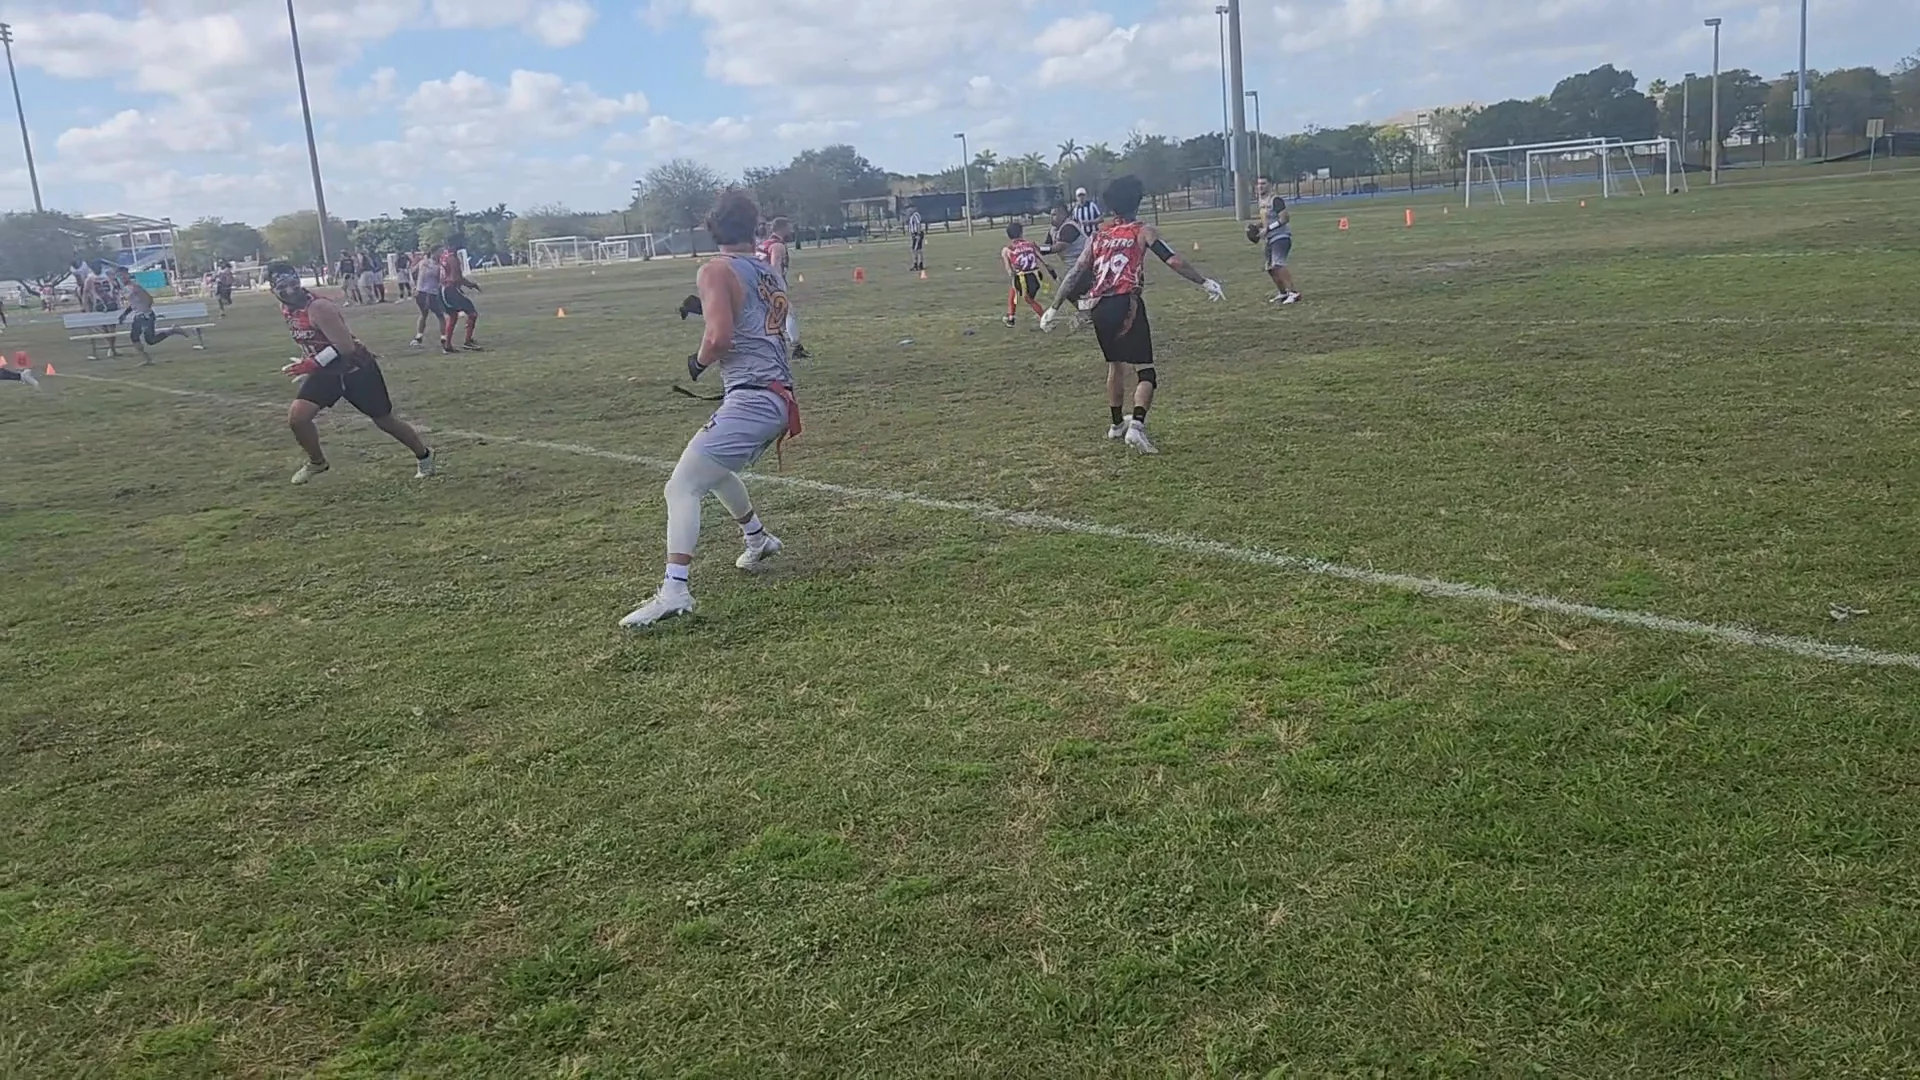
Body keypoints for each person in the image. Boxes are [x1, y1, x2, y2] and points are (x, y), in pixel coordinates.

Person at [620, 189, 798, 629]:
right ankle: (758, 539)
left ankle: (675, 590)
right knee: (714, 470)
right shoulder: (766, 269)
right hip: (775, 394)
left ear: (711, 228)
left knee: (681, 487)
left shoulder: (715, 269)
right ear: (755, 226)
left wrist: (698, 363)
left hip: (753, 396)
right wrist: (707, 307)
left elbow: (720, 338)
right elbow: (752, 317)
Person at [1042, 175, 1223, 455]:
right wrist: (1204, 281)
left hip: (1099, 306)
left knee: (1114, 365)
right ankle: (1136, 427)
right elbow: (1173, 260)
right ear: (1137, 202)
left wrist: (1053, 307)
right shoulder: (1143, 231)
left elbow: (1076, 271)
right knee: (1145, 369)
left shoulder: (1099, 235)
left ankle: (1116, 425)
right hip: (1127, 304)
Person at [267, 262, 435, 486]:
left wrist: (313, 363)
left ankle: (424, 455)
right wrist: (308, 360)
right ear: (272, 290)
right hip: (327, 371)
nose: (290, 291)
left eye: (293, 284)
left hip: (357, 369)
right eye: (282, 287)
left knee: (384, 420)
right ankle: (317, 462)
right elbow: (313, 338)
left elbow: (346, 346)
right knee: (298, 418)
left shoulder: (318, 307)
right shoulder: (286, 308)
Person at [116, 269, 201, 365]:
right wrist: (125, 314)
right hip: (139, 316)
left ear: (128, 275)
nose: (122, 278)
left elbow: (149, 299)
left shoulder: (134, 287)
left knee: (150, 340)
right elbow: (133, 304)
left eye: (123, 276)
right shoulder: (126, 289)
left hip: (145, 316)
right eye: (120, 277)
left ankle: (172, 331)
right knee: (135, 337)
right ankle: (147, 359)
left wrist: (145, 311)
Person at [756, 216, 809, 359]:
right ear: (783, 228)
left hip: (758, 284)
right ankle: (795, 347)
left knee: (771, 317)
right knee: (788, 313)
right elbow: (775, 268)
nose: (790, 231)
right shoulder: (777, 246)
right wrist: (779, 288)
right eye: (788, 227)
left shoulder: (764, 244)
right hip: (770, 285)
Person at [1000, 222, 1054, 327]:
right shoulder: (1031, 245)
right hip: (1035, 276)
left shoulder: (1007, 249)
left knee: (1027, 298)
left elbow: (1009, 270)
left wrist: (1012, 273)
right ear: (1021, 233)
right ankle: (1011, 316)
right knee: (1016, 292)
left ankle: (1043, 318)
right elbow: (1043, 260)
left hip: (1022, 277)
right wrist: (1050, 270)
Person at [1256, 176, 1300, 304]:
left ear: (1270, 185)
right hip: (1269, 239)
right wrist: (1257, 226)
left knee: (1278, 264)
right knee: (1270, 268)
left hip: (1281, 236)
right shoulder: (1261, 201)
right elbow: (1268, 219)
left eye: (1263, 183)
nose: (1260, 186)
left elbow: (1284, 218)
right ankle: (1283, 293)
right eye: (1258, 184)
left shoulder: (1276, 200)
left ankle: (1293, 292)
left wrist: (1268, 229)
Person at [438, 242, 482, 351]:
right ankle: (468, 342)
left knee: (453, 315)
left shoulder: (443, 256)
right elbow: (457, 278)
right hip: (451, 289)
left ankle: (448, 345)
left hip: (442, 289)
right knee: (472, 313)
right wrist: (470, 285)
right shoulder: (453, 259)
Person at [409, 248, 450, 350]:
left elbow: (413, 272)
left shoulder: (429, 263)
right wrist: (414, 286)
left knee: (428, 314)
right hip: (427, 293)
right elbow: (413, 272)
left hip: (427, 292)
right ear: (433, 253)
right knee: (437, 315)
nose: (441, 254)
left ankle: (420, 337)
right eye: (440, 252)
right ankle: (442, 337)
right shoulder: (431, 264)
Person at [906, 205, 927, 272]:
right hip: (915, 234)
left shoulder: (915, 215)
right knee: (918, 249)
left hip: (916, 234)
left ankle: (916, 265)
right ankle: (920, 264)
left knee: (915, 250)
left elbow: (918, 224)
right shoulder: (912, 216)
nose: (908, 211)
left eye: (910, 209)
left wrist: (918, 234)